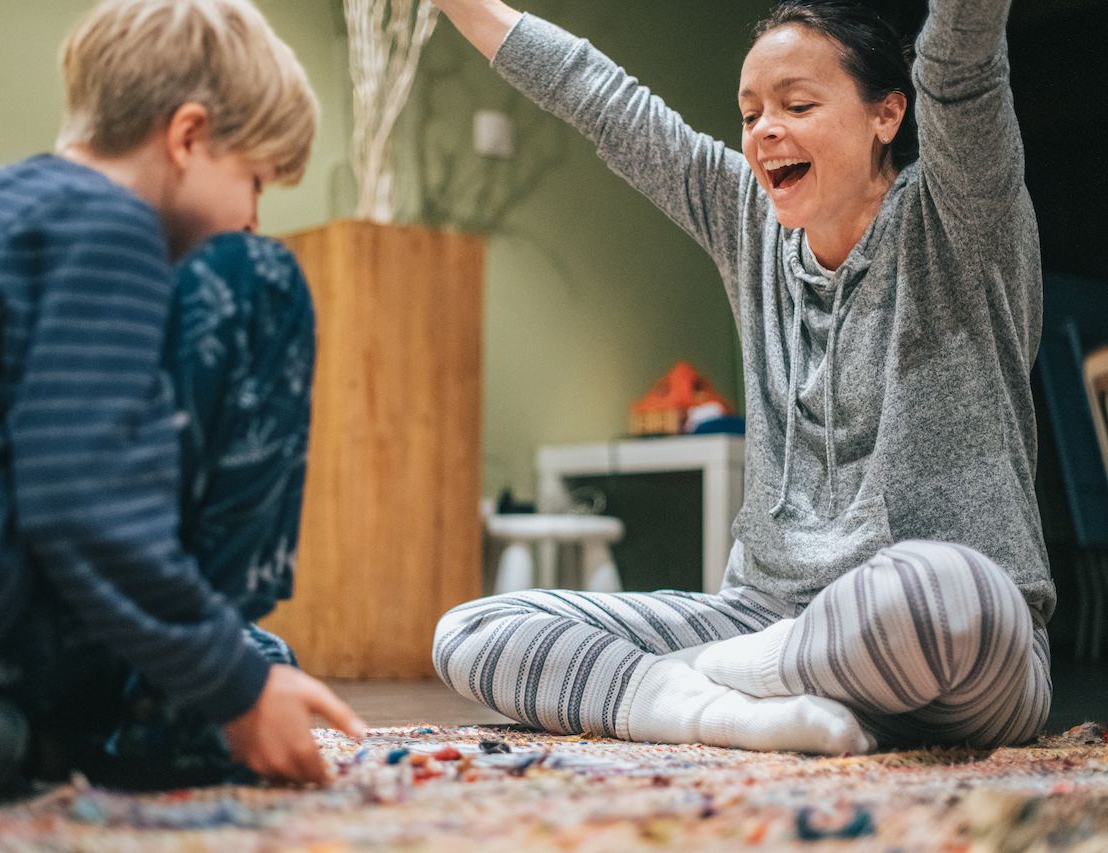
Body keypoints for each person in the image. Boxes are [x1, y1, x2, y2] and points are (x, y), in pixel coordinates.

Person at [431, 0, 1053, 754]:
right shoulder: (748, 219)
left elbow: (960, 62)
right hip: (764, 614)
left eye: (796, 104)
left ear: (887, 115)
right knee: (472, 630)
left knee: (944, 592)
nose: (763, 131)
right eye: (750, 112)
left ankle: (713, 676)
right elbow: (599, 97)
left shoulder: (963, 218)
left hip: (951, 655)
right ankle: (725, 715)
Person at [0, 0, 367, 801]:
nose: (255, 214)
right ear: (186, 137)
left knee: (264, 657)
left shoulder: (8, 208)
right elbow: (83, 501)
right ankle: (135, 719)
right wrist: (230, 684)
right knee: (263, 283)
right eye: (255, 179)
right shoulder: (104, 225)